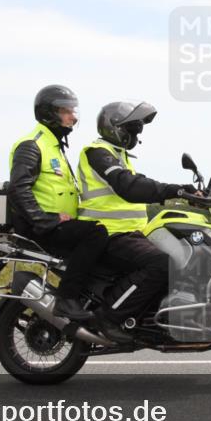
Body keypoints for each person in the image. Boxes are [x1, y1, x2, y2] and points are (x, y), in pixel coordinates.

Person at [76, 101, 197, 342]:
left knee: (182, 256)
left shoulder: (118, 156)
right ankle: (109, 318)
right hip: (107, 234)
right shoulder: (97, 152)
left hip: (129, 233)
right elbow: (129, 187)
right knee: (162, 264)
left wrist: (189, 193)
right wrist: (176, 191)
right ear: (116, 128)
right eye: (131, 130)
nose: (135, 136)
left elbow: (139, 183)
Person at [8, 85, 108, 320]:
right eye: (66, 111)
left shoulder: (54, 147)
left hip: (55, 224)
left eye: (73, 111)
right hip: (41, 227)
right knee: (96, 234)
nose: (73, 117)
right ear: (49, 113)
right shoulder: (32, 145)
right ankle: (67, 299)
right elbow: (18, 188)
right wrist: (45, 220)